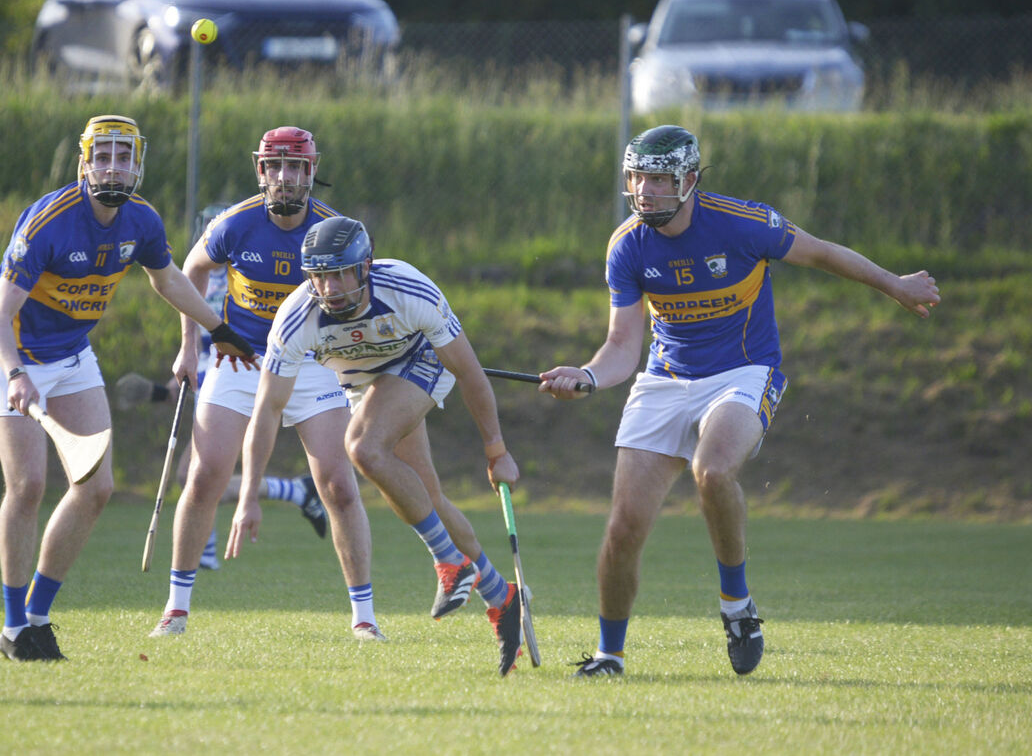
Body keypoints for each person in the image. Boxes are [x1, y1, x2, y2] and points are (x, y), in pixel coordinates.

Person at [539, 125, 940, 678]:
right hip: (665, 379)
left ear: (689, 180)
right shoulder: (627, 244)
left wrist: (894, 284)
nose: (645, 190)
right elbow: (621, 346)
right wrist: (585, 376)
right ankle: (610, 655)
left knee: (713, 469)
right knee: (624, 526)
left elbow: (822, 253)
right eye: (637, 178)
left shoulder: (742, 223)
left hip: (744, 372)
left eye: (659, 178)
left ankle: (737, 607)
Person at [0, 114, 255, 662]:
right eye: (102, 156)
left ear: (137, 164)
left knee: (96, 487)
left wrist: (218, 331)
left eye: (123, 157)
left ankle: (37, 615)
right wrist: (15, 373)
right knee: (28, 486)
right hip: (9, 351)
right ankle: (13, 629)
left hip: (73, 353)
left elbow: (168, 278)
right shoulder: (49, 222)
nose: (112, 166)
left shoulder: (142, 221)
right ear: (84, 163)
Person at [230, 215, 525, 676]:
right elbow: (267, 410)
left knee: (364, 447)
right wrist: (248, 494)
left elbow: (469, 371)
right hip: (366, 382)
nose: (329, 288)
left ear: (364, 267)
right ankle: (501, 596)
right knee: (427, 497)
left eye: (339, 273)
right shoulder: (295, 319)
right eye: (319, 276)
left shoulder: (408, 290)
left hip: (421, 360)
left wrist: (496, 450)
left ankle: (450, 561)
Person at [148, 127, 383, 641]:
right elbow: (192, 270)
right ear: (261, 170)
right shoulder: (236, 223)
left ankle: (364, 617)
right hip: (240, 361)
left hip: (311, 364)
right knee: (206, 475)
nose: (285, 177)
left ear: (312, 170)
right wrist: (191, 346)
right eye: (275, 166)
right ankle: (176, 608)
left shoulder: (334, 229)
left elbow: (364, 289)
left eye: (296, 166)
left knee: (340, 486)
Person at [114, 204, 327, 569]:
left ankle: (284, 498)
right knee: (198, 474)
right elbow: (202, 336)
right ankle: (289, 495)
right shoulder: (201, 278)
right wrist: (187, 365)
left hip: (250, 365)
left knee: (196, 472)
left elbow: (230, 334)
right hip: (222, 369)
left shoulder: (238, 275)